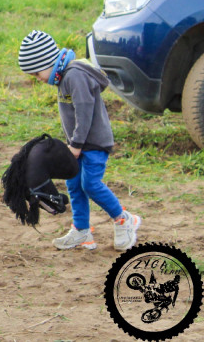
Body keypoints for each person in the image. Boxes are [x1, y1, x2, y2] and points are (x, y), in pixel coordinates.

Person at [17, 30, 143, 250]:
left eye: (37, 73)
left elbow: (84, 113)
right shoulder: (62, 78)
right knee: (74, 184)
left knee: (90, 184)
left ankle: (124, 219)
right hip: (78, 143)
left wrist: (75, 145)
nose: (38, 79)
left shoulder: (75, 76)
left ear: (48, 62)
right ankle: (82, 231)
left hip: (93, 143)